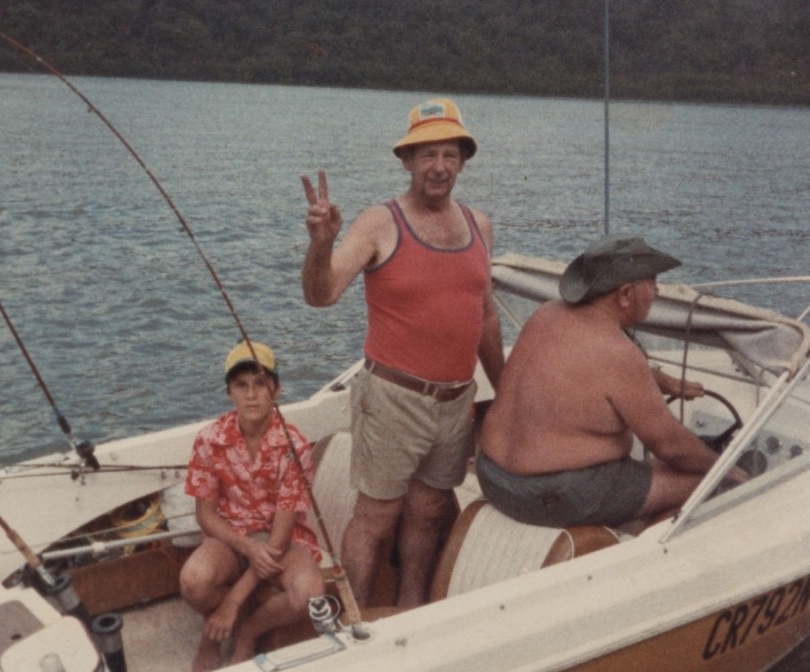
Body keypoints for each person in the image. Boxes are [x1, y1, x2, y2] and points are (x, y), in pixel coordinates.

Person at [300, 98, 504, 607]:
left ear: (462, 160)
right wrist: (320, 244)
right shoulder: (378, 222)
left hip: (457, 400)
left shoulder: (480, 224)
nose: (439, 167)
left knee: (430, 512)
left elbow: (487, 315)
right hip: (393, 398)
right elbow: (321, 295)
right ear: (407, 161)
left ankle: (412, 615)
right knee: (375, 520)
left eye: (449, 154)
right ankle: (353, 623)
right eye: (426, 154)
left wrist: (506, 392)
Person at [478, 235, 749, 530]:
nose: (657, 291)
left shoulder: (546, 314)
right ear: (624, 294)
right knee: (705, 481)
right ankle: (637, 559)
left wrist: (664, 382)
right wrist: (728, 469)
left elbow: (582, 368)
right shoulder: (619, 354)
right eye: (652, 282)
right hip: (550, 495)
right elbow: (670, 446)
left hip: (493, 477)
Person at [179, 340, 325, 671]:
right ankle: (219, 626)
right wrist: (246, 546)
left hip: (282, 541)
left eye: (261, 383)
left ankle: (248, 630)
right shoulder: (209, 439)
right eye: (241, 385)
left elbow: (279, 537)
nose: (251, 394)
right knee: (193, 580)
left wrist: (231, 601)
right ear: (229, 393)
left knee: (310, 594)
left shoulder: (296, 445)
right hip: (231, 539)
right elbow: (205, 514)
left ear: (276, 388)